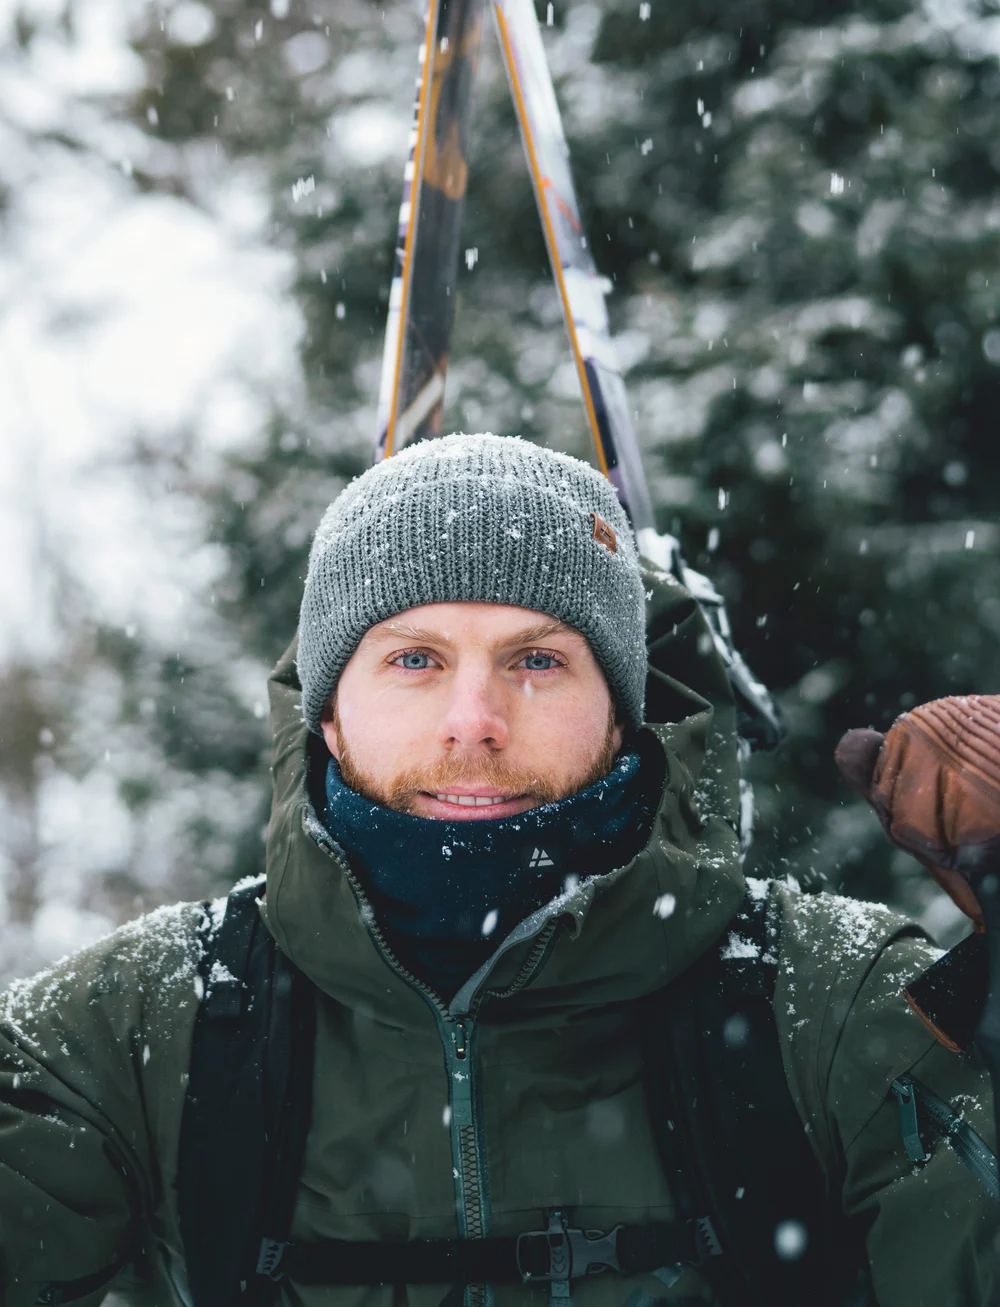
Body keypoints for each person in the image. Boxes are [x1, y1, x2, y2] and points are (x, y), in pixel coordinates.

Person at [0, 434, 995, 1307]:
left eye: (537, 660)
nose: (473, 717)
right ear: (326, 709)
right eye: (413, 659)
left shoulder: (840, 1004)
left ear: (622, 711)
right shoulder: (138, 1025)